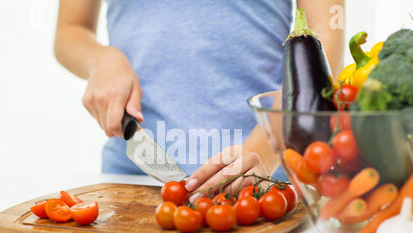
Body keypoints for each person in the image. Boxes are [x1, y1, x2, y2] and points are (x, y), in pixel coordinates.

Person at [54, 0, 344, 202]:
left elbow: (323, 49)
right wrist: (101, 60)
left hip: (269, 182)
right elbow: (70, 28)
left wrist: (264, 149)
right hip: (132, 179)